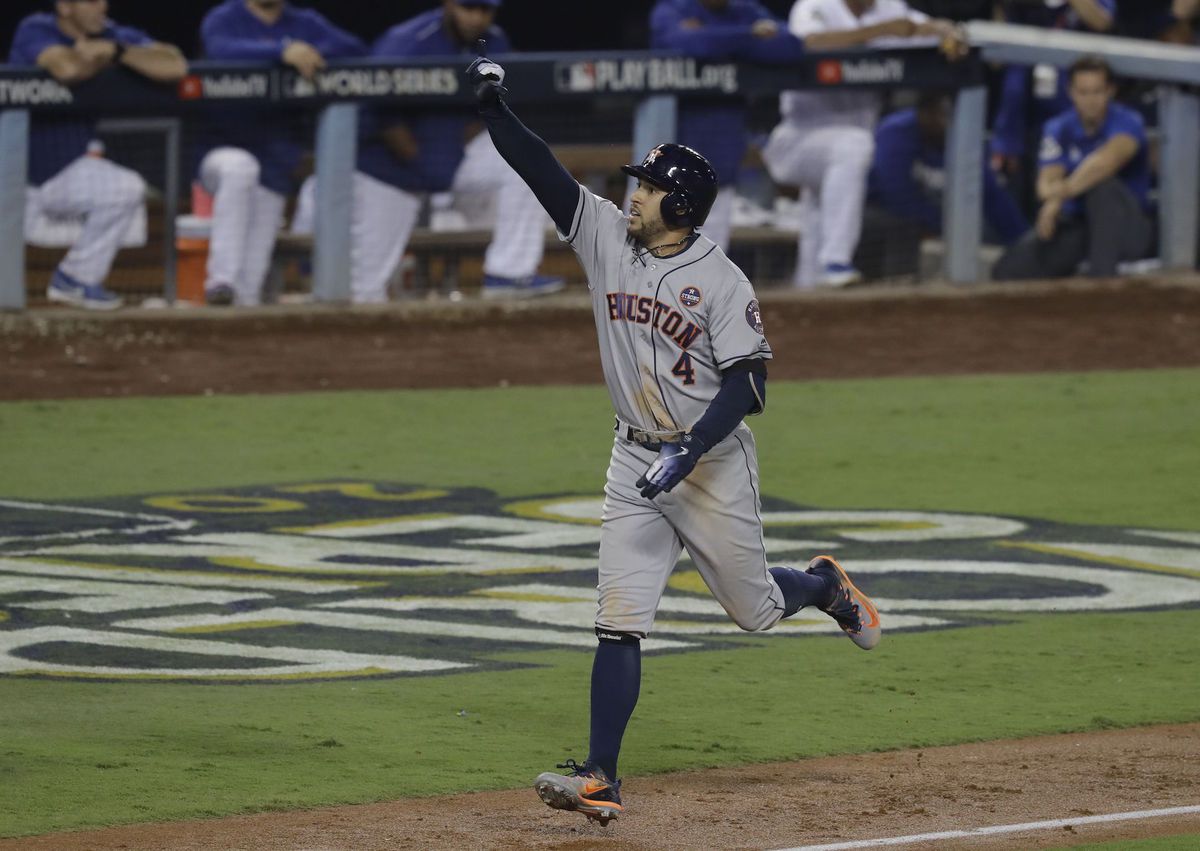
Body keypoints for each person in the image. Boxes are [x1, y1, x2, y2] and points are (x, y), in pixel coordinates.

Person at [465, 45, 882, 826]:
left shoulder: (723, 282)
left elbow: (749, 382)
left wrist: (689, 450)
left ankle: (824, 584)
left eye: (650, 188)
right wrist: (495, 113)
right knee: (618, 615)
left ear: (681, 206)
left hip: (710, 464)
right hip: (632, 456)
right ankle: (601, 777)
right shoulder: (604, 238)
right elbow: (543, 171)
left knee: (755, 611)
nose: (635, 194)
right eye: (638, 183)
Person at [349, 0, 562, 302]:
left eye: (485, 10)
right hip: (389, 174)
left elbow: (495, 105)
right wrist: (414, 157)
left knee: (528, 157)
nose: (477, 17)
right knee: (363, 289)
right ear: (449, 4)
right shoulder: (407, 41)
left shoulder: (495, 41)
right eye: (468, 7)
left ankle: (508, 274)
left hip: (452, 162)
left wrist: (455, 144)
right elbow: (373, 110)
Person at [762, 0, 967, 287]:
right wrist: (881, 31)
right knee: (853, 146)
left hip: (847, 148)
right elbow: (809, 43)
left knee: (821, 209)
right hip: (799, 138)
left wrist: (950, 32)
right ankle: (835, 261)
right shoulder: (814, 6)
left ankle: (810, 287)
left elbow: (932, 28)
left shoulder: (888, 8)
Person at [8, 0, 186, 310]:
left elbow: (175, 64)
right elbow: (66, 68)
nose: (101, 7)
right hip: (16, 168)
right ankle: (74, 279)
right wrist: (91, 57)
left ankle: (76, 278)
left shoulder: (112, 34)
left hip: (56, 170)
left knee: (124, 187)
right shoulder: (36, 28)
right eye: (90, 1)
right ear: (65, 7)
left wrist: (118, 52)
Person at [197, 0, 366, 306]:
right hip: (220, 153)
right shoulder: (225, 17)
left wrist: (309, 49)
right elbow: (222, 50)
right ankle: (219, 280)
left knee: (250, 284)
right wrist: (282, 52)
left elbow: (355, 48)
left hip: (275, 163)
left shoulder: (304, 23)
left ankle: (231, 327)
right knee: (240, 168)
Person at [648, 0, 805, 251]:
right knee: (648, 255)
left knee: (708, 256)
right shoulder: (673, 9)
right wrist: (748, 35)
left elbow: (790, 46)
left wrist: (713, 36)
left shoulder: (744, 11)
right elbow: (686, 44)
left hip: (721, 156)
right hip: (663, 161)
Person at [992, 55, 1154, 280]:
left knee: (1102, 188)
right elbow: (1046, 186)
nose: (1090, 100)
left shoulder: (1128, 121)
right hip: (1079, 225)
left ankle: (1103, 283)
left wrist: (1059, 197)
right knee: (1009, 270)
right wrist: (1056, 197)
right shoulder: (1058, 127)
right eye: (1083, 92)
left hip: (1129, 228)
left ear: (1110, 91)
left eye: (1097, 91)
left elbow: (1105, 163)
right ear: (1071, 92)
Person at [869, 93, 1027, 264]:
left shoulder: (960, 133)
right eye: (940, 114)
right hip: (882, 209)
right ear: (924, 113)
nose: (945, 121)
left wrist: (1023, 241)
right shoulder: (895, 132)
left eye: (950, 115)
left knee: (980, 228)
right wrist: (943, 224)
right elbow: (896, 194)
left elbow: (991, 194)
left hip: (934, 210)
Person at [989, 1, 1115, 187]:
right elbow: (996, 59)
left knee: (1065, 182)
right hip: (1020, 111)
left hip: (1071, 102)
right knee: (1016, 188)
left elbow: (1102, 21)